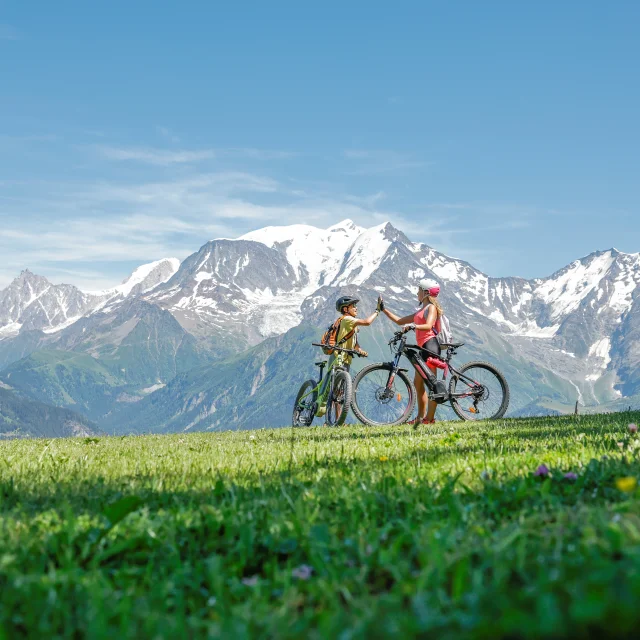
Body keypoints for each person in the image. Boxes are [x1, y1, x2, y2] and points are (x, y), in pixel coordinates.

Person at [378, 278, 444, 428]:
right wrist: (384, 310)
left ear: (426, 293)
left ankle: (429, 418)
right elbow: (400, 321)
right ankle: (421, 418)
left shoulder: (430, 308)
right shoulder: (421, 310)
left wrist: (413, 326)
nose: (417, 292)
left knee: (432, 385)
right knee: (418, 384)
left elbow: (428, 326)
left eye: (419, 290)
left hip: (431, 347)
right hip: (423, 348)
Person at [318, 295, 381, 416]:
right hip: (338, 357)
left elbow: (353, 340)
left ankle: (337, 420)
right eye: (354, 306)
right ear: (346, 309)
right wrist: (377, 311)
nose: (356, 308)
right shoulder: (347, 319)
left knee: (339, 391)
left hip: (346, 358)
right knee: (334, 389)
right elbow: (367, 322)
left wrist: (359, 349)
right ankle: (330, 419)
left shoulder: (352, 324)